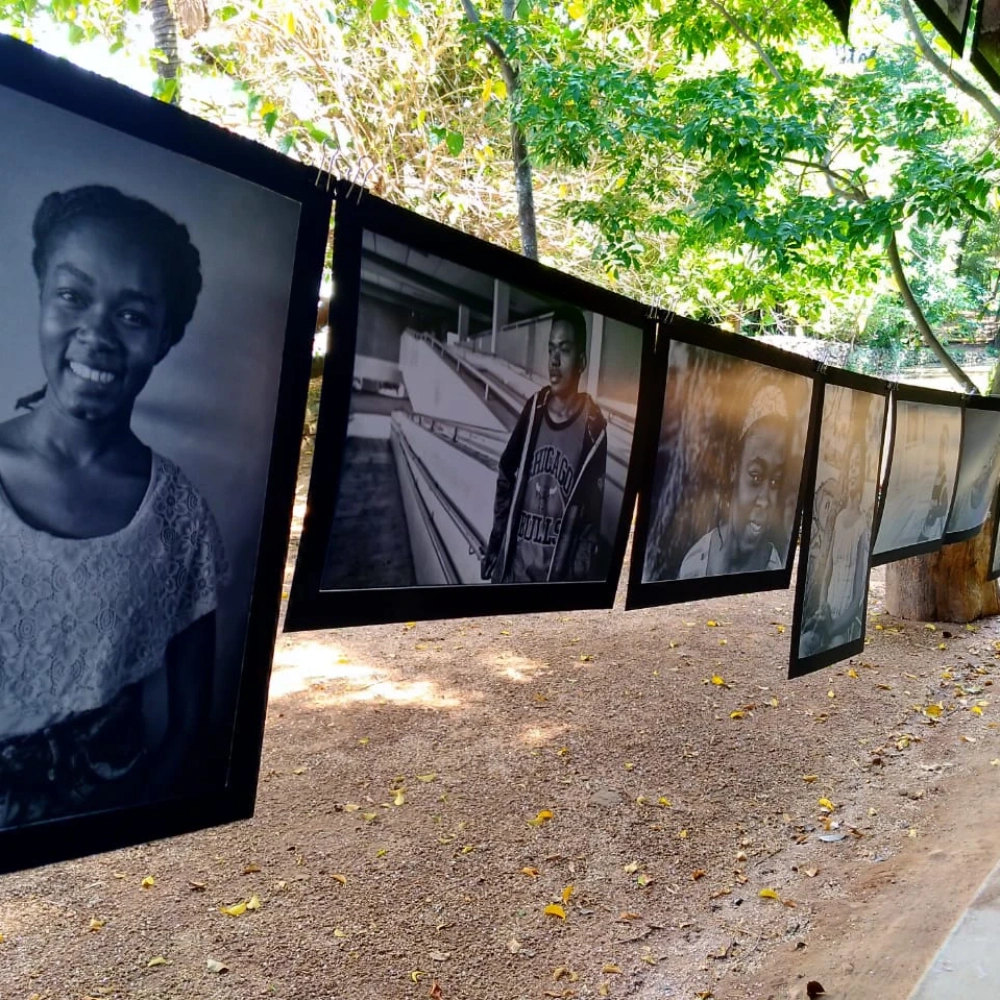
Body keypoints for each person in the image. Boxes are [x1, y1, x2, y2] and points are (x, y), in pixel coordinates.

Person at [0, 185, 227, 829]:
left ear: (164, 337)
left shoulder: (179, 515)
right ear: (42, 296)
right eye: (72, 297)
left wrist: (131, 834)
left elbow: (190, 723)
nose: (96, 334)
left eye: (131, 315)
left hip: (107, 816)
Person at [481, 305, 608, 583]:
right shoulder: (534, 409)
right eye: (551, 349)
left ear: (582, 361)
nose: (554, 360)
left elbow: (591, 518)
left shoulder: (593, 429)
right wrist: (496, 542)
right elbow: (506, 471)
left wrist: (574, 579)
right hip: (513, 576)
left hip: (553, 583)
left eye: (564, 350)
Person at [678, 382, 789, 578]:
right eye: (756, 476)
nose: (765, 500)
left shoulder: (773, 566)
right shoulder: (695, 565)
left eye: (775, 481)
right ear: (733, 469)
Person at [800, 442, 871, 658]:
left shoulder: (862, 528)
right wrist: (822, 608)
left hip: (842, 622)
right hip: (827, 611)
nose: (853, 472)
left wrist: (832, 629)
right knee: (804, 645)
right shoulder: (839, 519)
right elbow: (828, 572)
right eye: (851, 466)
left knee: (834, 647)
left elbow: (857, 597)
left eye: (858, 466)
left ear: (863, 474)